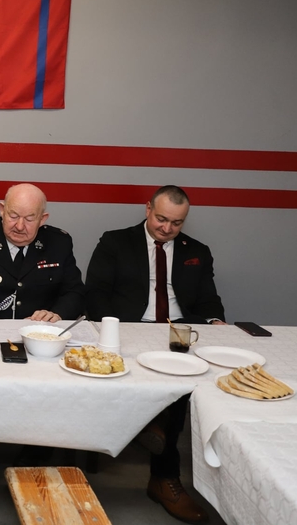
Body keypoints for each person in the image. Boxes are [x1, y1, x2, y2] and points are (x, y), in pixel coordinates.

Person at [86, 185, 225, 524]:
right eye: (161, 219)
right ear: (147, 209)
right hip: (128, 330)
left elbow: (208, 299)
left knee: (184, 381)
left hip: (177, 332)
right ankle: (163, 472)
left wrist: (216, 321)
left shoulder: (197, 251)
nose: (167, 228)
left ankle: (153, 440)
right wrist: (112, 333)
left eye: (176, 223)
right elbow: (96, 294)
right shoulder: (115, 242)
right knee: (159, 385)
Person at [0, 183, 85, 321]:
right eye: (13, 216)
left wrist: (57, 314)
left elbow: (75, 292)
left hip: (40, 330)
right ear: (2, 210)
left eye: (29, 219)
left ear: (42, 219)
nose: (20, 226)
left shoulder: (58, 243)